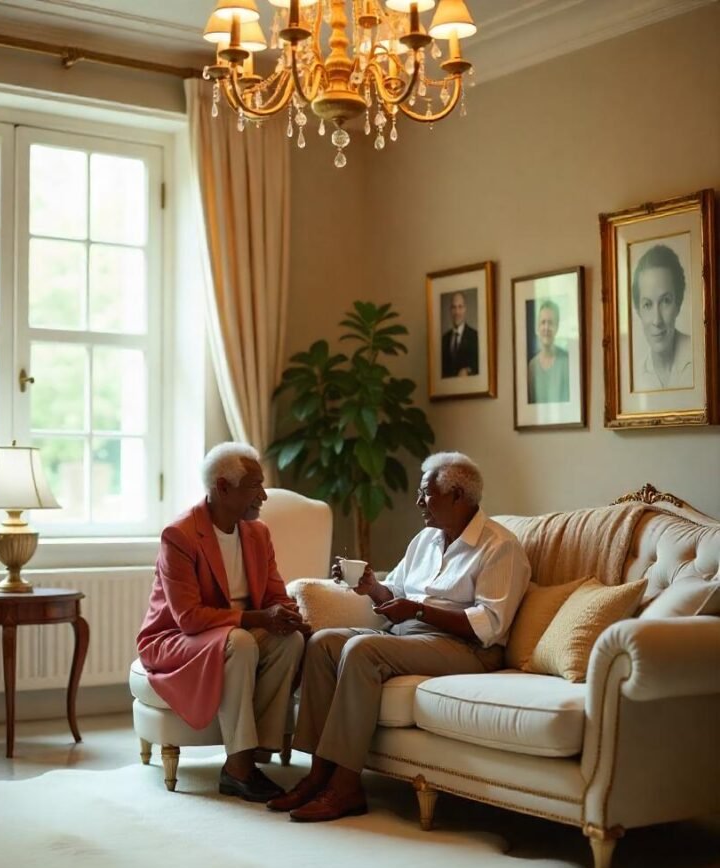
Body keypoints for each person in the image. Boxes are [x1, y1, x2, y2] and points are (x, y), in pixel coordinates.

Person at [268, 451, 531, 822]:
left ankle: (345, 787)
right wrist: (372, 588)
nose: (419, 502)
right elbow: (397, 594)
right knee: (324, 643)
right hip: (410, 634)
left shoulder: (500, 546)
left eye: (427, 493)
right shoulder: (426, 539)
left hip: (468, 648)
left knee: (363, 649)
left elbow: (488, 624)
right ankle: (317, 774)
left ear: (458, 496)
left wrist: (420, 611)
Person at [137, 442, 308, 804]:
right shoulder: (180, 535)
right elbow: (189, 617)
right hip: (176, 638)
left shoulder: (258, 534)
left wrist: (289, 615)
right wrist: (258, 618)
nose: (263, 495)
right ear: (223, 487)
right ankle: (239, 769)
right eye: (254, 486)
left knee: (288, 641)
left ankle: (254, 754)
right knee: (242, 641)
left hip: (234, 634)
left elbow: (276, 594)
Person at [632, 244, 693, 391]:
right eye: (647, 304)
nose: (657, 320)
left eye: (666, 301)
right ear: (638, 310)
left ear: (678, 304)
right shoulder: (635, 378)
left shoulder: (701, 358)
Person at [527, 299, 570, 404]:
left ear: (557, 327)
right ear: (538, 327)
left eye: (551, 323)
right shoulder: (532, 366)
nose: (546, 327)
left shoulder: (567, 362)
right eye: (543, 322)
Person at [441, 292, 479, 378]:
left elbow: (480, 367)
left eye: (460, 307)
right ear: (450, 310)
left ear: (465, 309)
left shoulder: (475, 337)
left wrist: (468, 371)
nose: (457, 312)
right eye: (454, 307)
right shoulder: (443, 339)